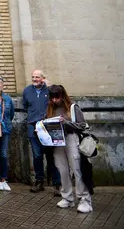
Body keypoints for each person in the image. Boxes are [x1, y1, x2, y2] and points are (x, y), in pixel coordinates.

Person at [46, 85, 92, 213]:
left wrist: (65, 122)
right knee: (62, 171)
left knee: (77, 169)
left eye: (57, 97)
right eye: (52, 97)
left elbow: (82, 125)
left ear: (62, 95)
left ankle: (85, 200)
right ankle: (67, 198)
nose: (55, 100)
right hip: (57, 142)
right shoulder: (50, 108)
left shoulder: (72, 107)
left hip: (72, 139)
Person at [23, 69, 61, 194]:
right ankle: (39, 182)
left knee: (51, 156)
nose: (34, 79)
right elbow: (25, 106)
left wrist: (48, 85)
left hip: (47, 126)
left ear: (43, 78)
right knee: (37, 155)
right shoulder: (27, 90)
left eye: (37, 77)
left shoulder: (49, 90)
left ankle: (57, 184)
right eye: (33, 76)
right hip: (32, 127)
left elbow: (57, 103)